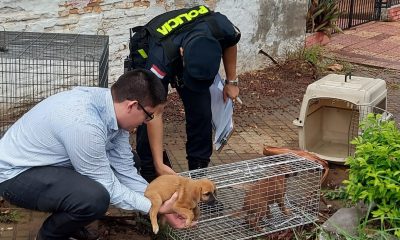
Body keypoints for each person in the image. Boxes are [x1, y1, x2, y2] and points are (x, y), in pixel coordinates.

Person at [0, 69, 189, 240]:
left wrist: (159, 201)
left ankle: (70, 226)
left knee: (132, 161)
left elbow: (124, 167)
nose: (148, 122)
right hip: (15, 174)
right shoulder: (85, 124)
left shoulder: (112, 107)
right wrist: (152, 208)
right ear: (132, 106)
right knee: (95, 197)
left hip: (50, 164)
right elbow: (106, 184)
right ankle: (50, 235)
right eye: (149, 116)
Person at [133, 5, 241, 182]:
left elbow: (230, 42)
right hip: (154, 47)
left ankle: (197, 175)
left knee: (202, 114)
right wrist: (159, 164)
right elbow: (155, 115)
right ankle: (151, 174)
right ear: (183, 55)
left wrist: (231, 81)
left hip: (189, 52)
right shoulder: (159, 59)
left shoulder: (219, 25)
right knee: (145, 115)